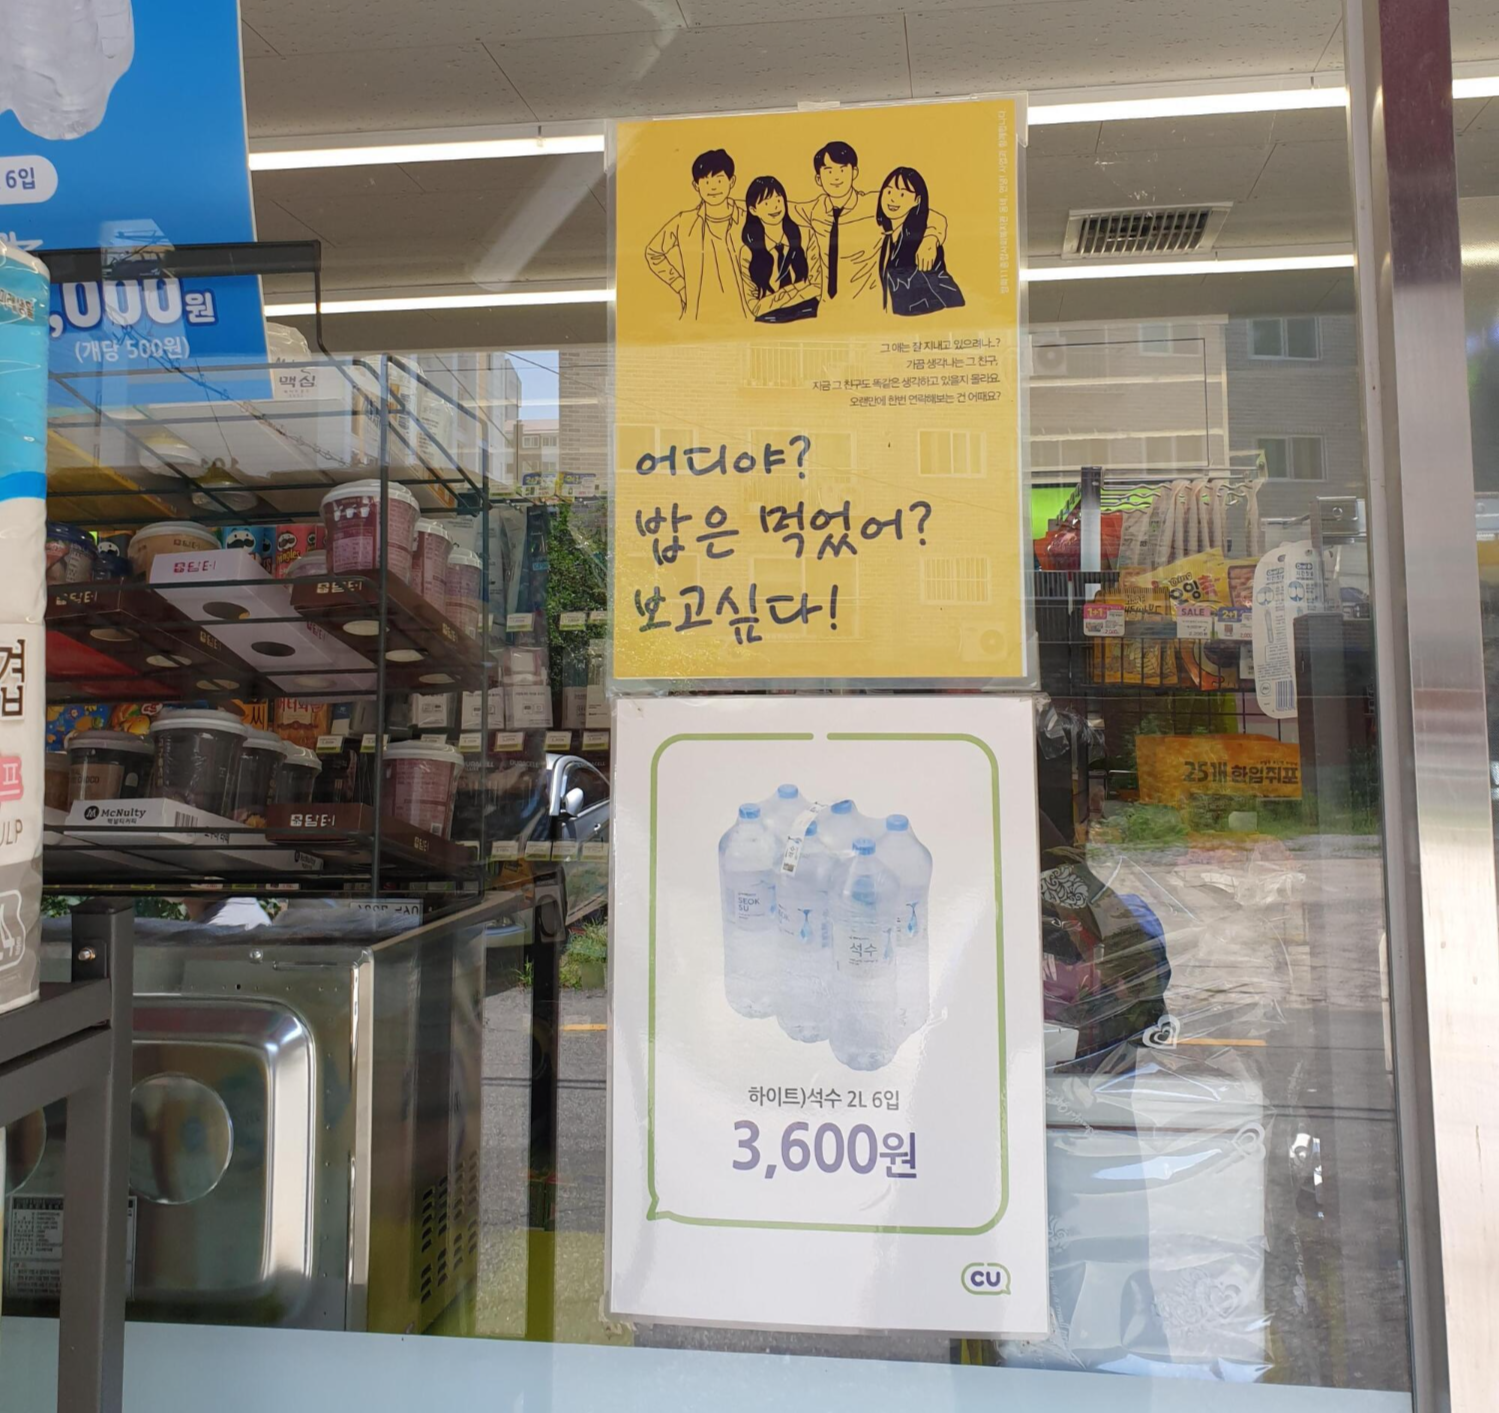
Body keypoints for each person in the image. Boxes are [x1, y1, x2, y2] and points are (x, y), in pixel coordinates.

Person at [791, 140, 947, 307]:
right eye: (828, 171)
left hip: (868, 308)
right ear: (818, 179)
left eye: (842, 170)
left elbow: (930, 215)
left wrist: (930, 240)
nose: (836, 177)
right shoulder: (814, 209)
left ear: (854, 172)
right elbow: (781, 207)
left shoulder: (875, 203)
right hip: (828, 309)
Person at [644, 148, 747, 321]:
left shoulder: (749, 218)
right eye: (705, 181)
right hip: (698, 318)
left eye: (719, 180)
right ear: (696, 186)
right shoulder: (684, 222)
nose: (713, 187)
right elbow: (653, 252)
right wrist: (679, 285)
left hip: (745, 318)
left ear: (732, 181)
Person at [875, 166, 965, 316]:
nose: (892, 199)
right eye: (889, 191)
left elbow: (943, 289)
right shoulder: (887, 232)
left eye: (902, 194)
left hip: (920, 317)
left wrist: (931, 239)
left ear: (917, 200)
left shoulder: (922, 242)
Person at [737, 175, 822, 322]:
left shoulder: (805, 235)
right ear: (753, 210)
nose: (775, 207)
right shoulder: (748, 252)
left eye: (778, 200)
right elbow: (754, 306)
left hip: (807, 314)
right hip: (769, 320)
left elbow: (817, 286)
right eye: (766, 203)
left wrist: (776, 299)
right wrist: (796, 291)